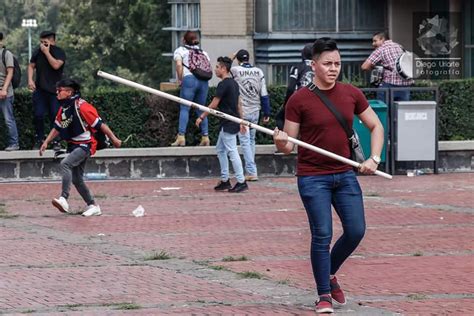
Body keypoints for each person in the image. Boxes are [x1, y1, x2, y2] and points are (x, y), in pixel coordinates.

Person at [273, 38, 384, 314]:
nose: (333, 69)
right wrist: (280, 141)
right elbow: (288, 146)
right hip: (312, 177)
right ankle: (323, 294)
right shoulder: (299, 100)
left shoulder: (351, 94)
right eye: (327, 64)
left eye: (337, 63)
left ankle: (329, 272)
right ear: (314, 65)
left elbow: (376, 126)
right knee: (322, 234)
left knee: (356, 230)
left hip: (345, 173)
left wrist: (374, 158)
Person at [39, 79, 122, 216]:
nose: (57, 93)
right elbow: (57, 127)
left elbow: (100, 124)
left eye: (60, 90)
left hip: (86, 145)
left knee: (65, 164)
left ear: (69, 92)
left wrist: (114, 139)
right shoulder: (64, 108)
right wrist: (46, 142)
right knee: (77, 179)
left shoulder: (82, 106)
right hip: (74, 146)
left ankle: (64, 199)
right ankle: (93, 205)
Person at [195, 57, 248, 193]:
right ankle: (225, 180)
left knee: (232, 151)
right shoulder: (234, 84)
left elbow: (214, 104)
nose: (215, 69)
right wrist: (241, 120)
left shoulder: (224, 84)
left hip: (229, 123)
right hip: (231, 121)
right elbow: (239, 104)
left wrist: (201, 116)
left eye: (217, 67)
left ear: (224, 69)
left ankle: (241, 181)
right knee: (220, 149)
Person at [230, 49, 270, 181]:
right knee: (251, 141)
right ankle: (251, 170)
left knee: (245, 142)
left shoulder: (235, 70)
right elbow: (264, 93)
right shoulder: (259, 71)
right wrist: (267, 112)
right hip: (256, 110)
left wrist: (232, 57)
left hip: (243, 111)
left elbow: (224, 68)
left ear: (238, 59)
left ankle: (252, 171)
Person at [28, 30, 66, 150]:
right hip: (40, 90)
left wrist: (47, 52)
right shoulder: (37, 52)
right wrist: (30, 79)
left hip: (55, 91)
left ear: (52, 41)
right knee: (38, 114)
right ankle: (39, 138)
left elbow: (56, 65)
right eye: (41, 42)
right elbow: (31, 65)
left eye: (45, 42)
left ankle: (56, 141)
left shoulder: (59, 52)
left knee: (55, 115)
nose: (43, 44)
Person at [172, 30, 210, 147]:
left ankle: (181, 137)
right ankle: (205, 137)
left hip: (189, 80)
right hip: (204, 81)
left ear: (184, 40)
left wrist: (180, 79)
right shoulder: (203, 52)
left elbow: (179, 65)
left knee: (185, 108)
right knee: (201, 109)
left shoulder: (180, 50)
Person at [361, 31, 413, 102]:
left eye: (375, 41)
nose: (373, 44)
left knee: (384, 110)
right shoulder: (400, 46)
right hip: (405, 85)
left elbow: (364, 66)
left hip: (389, 84)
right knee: (401, 111)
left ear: (382, 39)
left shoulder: (381, 49)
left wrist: (375, 68)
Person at [276, 43, 314, 130]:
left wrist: (286, 104)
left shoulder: (297, 67)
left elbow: (290, 88)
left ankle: (287, 139)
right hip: (317, 101)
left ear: (303, 54)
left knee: (279, 118)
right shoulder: (319, 68)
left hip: (300, 100)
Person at [0, 32, 19, 151]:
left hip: (5, 92)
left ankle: (14, 143)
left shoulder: (6, 54)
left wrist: (4, 89)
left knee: (8, 119)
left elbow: (10, 73)